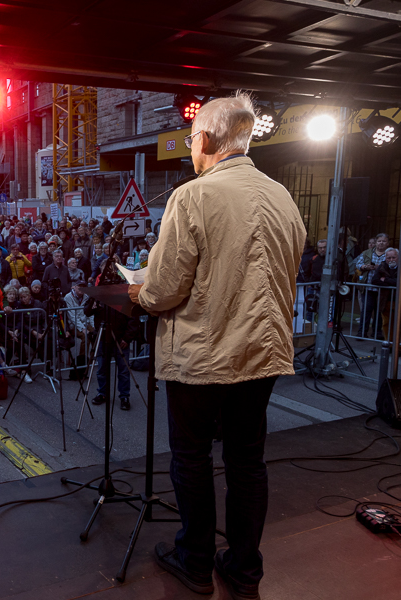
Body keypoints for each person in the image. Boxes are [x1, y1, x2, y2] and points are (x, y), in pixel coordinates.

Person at [129, 93, 305, 600]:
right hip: (262, 354)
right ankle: (245, 571)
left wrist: (141, 293)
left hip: (202, 357)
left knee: (192, 458)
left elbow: (164, 290)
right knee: (248, 462)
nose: (190, 148)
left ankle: (196, 562)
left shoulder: (194, 196)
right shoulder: (282, 196)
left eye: (190, 139)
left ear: (204, 139)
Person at [357, 233, 390, 339]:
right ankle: (362, 332)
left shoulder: (390, 253)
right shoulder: (366, 253)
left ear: (388, 243)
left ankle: (377, 332)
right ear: (376, 242)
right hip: (368, 287)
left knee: (379, 311)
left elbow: (394, 266)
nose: (381, 243)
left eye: (384, 241)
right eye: (379, 241)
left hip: (383, 288)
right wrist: (365, 266)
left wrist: (380, 268)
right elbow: (358, 264)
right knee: (366, 310)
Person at [374, 247, 398, 341]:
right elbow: (375, 280)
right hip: (385, 300)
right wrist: (391, 283)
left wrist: (386, 280)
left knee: (398, 323)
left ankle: (398, 345)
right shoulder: (382, 266)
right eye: (389, 258)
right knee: (386, 323)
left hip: (398, 300)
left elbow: (398, 282)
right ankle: (389, 343)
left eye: (393, 257)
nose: (391, 260)